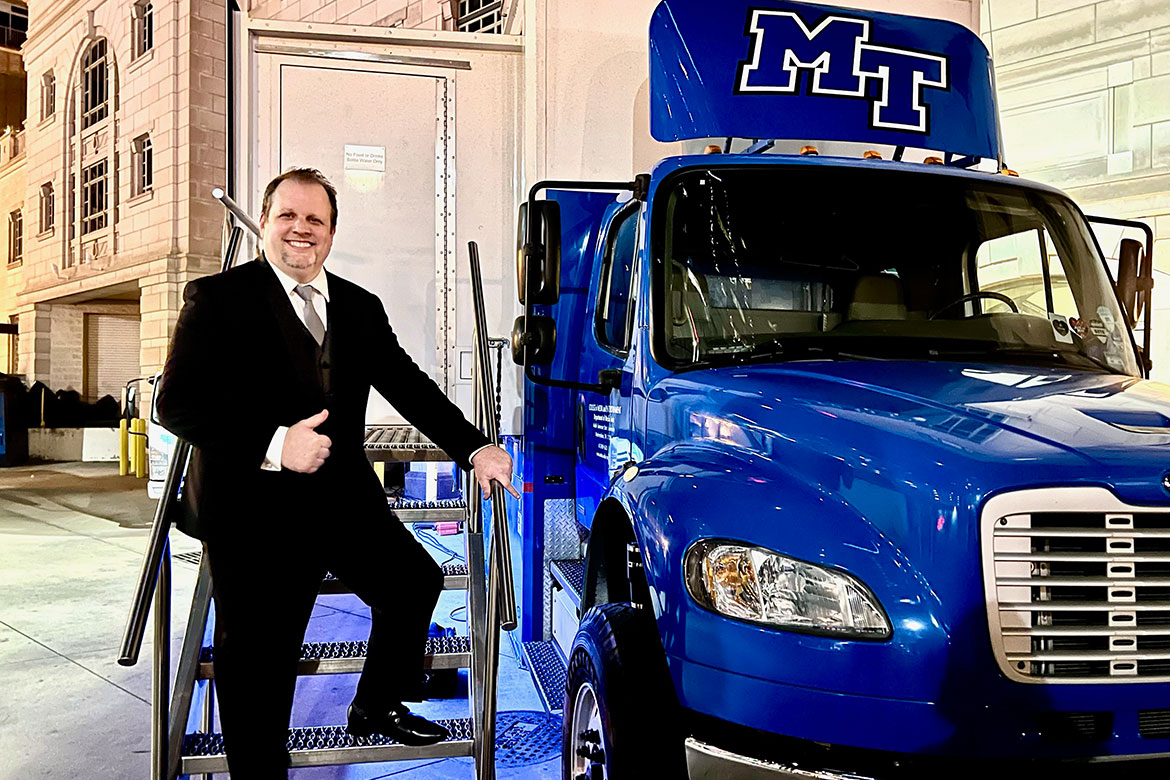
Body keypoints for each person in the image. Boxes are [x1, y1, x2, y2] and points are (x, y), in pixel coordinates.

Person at [157, 168, 519, 778]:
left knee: (413, 582)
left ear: (330, 232)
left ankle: (374, 705)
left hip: (342, 499)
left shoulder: (357, 306)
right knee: (260, 673)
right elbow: (176, 403)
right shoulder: (218, 300)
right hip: (253, 509)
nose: (301, 229)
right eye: (288, 217)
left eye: (315, 220)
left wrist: (474, 448)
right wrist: (274, 443)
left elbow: (410, 387)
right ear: (265, 223)